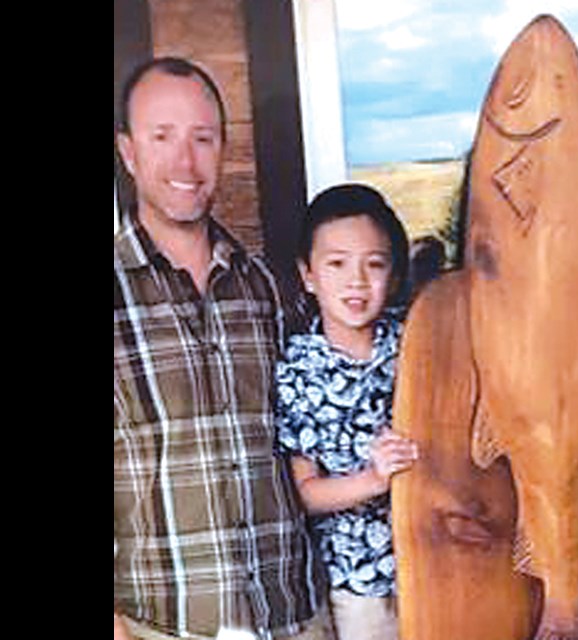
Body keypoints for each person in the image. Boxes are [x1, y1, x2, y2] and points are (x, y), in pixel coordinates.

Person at [114, 57, 332, 640]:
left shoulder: (269, 286)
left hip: (294, 615)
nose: (186, 162)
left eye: (202, 138)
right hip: (165, 626)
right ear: (129, 152)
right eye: (163, 137)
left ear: (224, 150)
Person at [273, 184, 419, 640]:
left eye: (374, 264)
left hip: (440, 557)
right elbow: (307, 493)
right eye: (336, 264)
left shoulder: (416, 342)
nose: (356, 281)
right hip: (362, 585)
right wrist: (373, 479)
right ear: (308, 274)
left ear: (393, 275)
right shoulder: (299, 372)